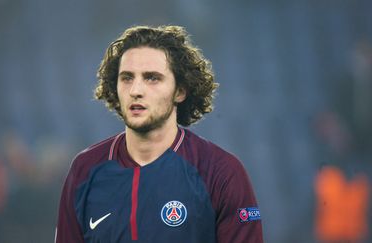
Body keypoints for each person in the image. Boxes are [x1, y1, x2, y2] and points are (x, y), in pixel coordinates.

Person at [55, 25, 263, 243]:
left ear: (180, 91)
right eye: (126, 78)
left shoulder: (221, 172)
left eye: (152, 78)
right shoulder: (85, 169)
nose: (136, 90)